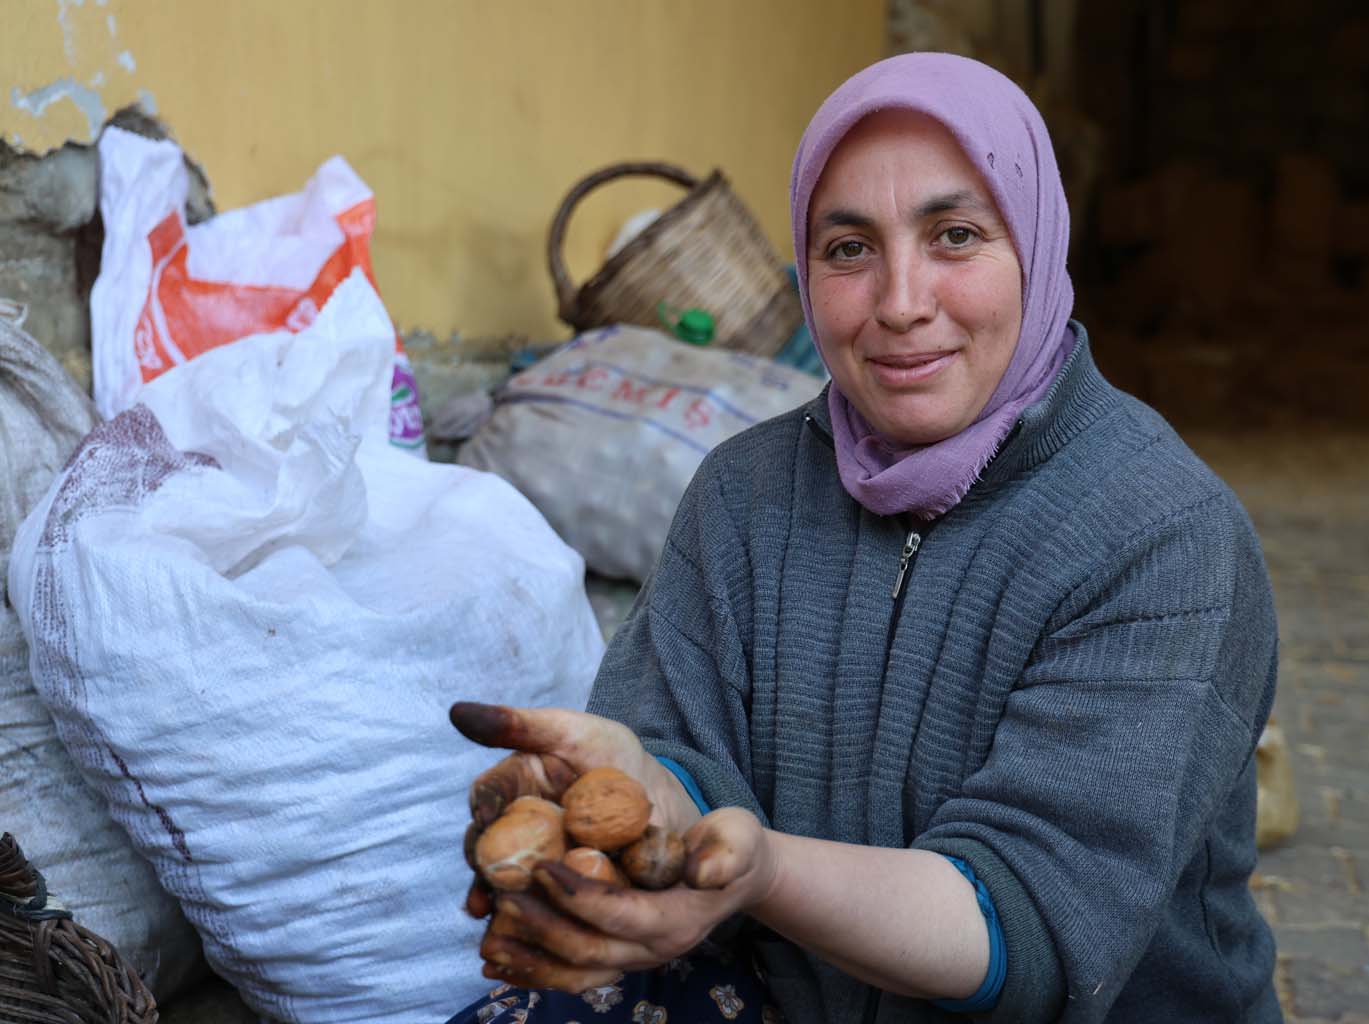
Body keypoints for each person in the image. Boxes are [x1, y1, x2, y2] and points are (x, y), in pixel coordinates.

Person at [447, 52, 1282, 1024]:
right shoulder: (747, 493)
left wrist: (761, 871)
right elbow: (681, 759)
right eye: (849, 248)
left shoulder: (1160, 531)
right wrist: (647, 794)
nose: (900, 302)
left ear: (1038, 243)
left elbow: (1025, 927)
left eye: (956, 236)